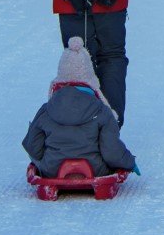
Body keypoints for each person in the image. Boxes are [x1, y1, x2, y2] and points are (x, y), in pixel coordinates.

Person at [23, 36, 137, 177]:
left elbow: (33, 148)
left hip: (52, 169)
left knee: (35, 148)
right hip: (95, 169)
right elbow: (111, 151)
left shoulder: (46, 110)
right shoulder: (102, 110)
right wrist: (130, 163)